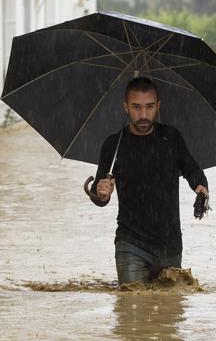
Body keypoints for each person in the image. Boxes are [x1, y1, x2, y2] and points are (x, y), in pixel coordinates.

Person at [89, 76, 209, 285]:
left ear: (158, 106)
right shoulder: (114, 145)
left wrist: (202, 190)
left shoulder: (171, 138)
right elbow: (99, 197)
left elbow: (193, 171)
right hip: (130, 244)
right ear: (125, 107)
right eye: (136, 107)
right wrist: (101, 192)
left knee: (168, 313)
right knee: (132, 307)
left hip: (170, 247)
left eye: (149, 107)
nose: (143, 115)